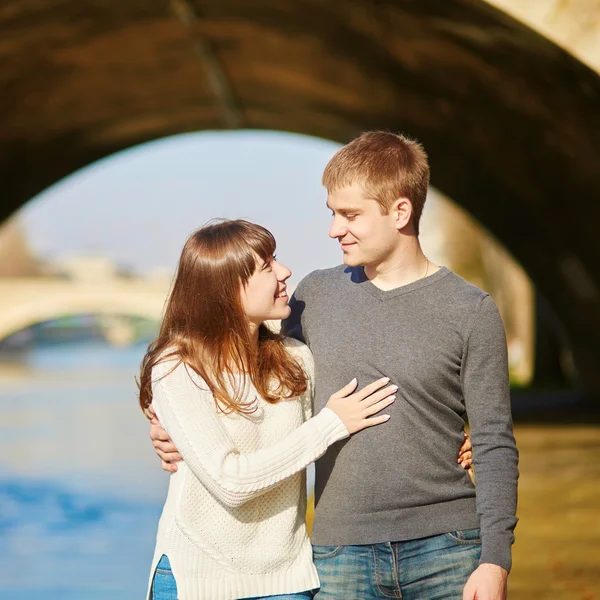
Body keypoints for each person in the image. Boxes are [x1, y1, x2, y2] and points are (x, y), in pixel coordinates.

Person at [138, 219, 401, 600]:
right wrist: (329, 425)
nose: (285, 272)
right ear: (225, 288)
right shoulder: (178, 368)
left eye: (275, 259)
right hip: (195, 580)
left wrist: (455, 442)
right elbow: (230, 482)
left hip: (287, 582)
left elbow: (364, 411)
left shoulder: (297, 359)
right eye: (267, 266)